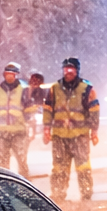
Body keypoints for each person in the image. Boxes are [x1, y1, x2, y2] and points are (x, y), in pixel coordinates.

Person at [43, 57, 101, 201]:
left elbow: (94, 111)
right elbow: (48, 110)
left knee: (83, 167)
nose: (68, 72)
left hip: (80, 136)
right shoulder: (54, 89)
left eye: (71, 69)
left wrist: (94, 131)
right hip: (59, 136)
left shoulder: (87, 89)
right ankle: (58, 194)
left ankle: (86, 193)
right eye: (66, 69)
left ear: (77, 70)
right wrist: (46, 129)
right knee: (59, 168)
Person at [0, 62, 29, 176]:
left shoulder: (23, 90)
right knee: (1, 162)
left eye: (12, 74)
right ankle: (3, 181)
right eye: (7, 74)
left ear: (16, 75)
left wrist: (25, 120)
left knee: (22, 159)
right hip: (1, 131)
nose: (9, 77)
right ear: (4, 75)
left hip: (18, 131)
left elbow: (29, 108)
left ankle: (24, 181)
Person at [22, 72, 47, 140]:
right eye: (33, 80)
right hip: (26, 116)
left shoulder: (41, 91)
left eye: (36, 81)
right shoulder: (25, 91)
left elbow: (42, 103)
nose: (34, 83)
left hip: (35, 115)